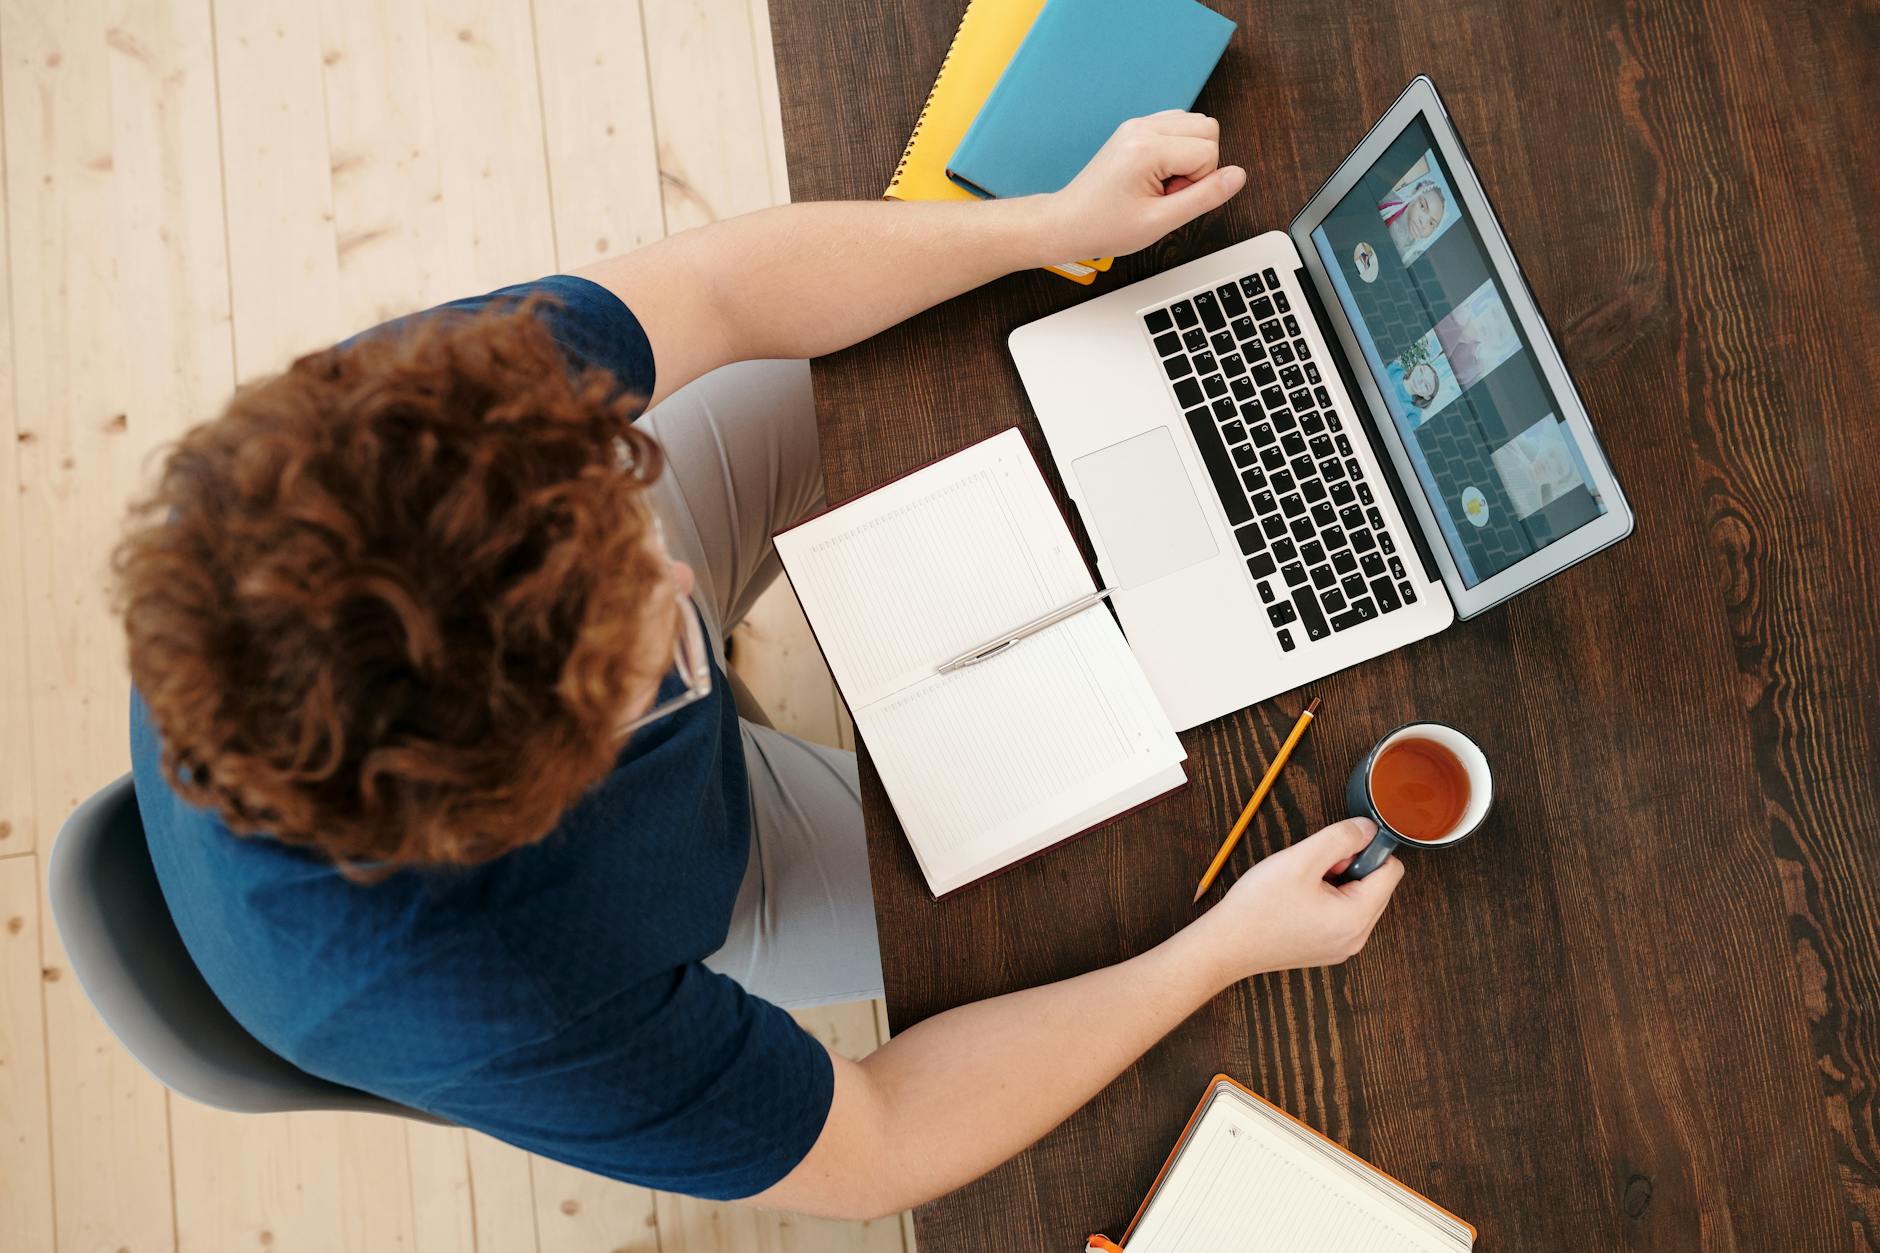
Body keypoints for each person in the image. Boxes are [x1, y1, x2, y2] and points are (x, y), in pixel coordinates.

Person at [116, 111, 1404, 1220]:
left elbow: (728, 292)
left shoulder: (399, 448)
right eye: (651, 658)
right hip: (680, 887)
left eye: (622, 519)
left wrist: (1045, 224)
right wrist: (1220, 952)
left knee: (875, 338)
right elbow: (885, 1142)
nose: (678, 578)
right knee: (1090, 872)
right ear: (553, 789)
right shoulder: (517, 1000)